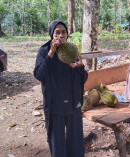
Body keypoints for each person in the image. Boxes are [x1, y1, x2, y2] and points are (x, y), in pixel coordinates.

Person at [34, 20, 88, 157]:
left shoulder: (71, 50)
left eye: (63, 32)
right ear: (52, 34)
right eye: (57, 32)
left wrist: (81, 68)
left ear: (67, 34)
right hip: (54, 104)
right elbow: (39, 75)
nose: (60, 35)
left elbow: (83, 78)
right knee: (57, 142)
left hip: (73, 102)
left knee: (76, 141)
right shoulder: (44, 51)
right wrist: (51, 54)